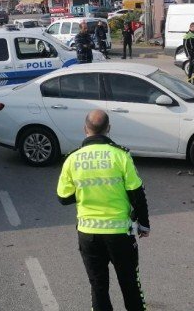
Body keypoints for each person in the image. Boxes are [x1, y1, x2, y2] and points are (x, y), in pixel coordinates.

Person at [57, 110, 150, 311]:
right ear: (108, 129)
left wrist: (85, 190)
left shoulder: (72, 159)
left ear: (85, 129)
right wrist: (144, 224)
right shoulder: (121, 155)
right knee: (130, 286)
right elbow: (137, 193)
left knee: (98, 288)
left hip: (88, 235)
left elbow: (63, 198)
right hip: (120, 235)